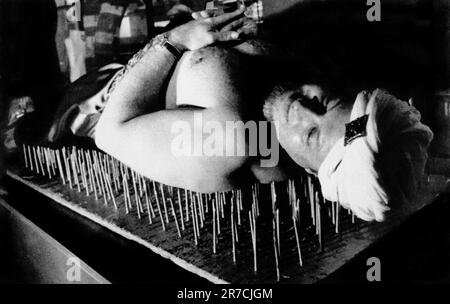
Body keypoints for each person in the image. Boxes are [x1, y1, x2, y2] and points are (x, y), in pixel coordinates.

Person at [263, 83, 434, 222]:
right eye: (327, 102)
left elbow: (372, 191)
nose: (300, 106)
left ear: (316, 172)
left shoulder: (359, 184)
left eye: (311, 133)